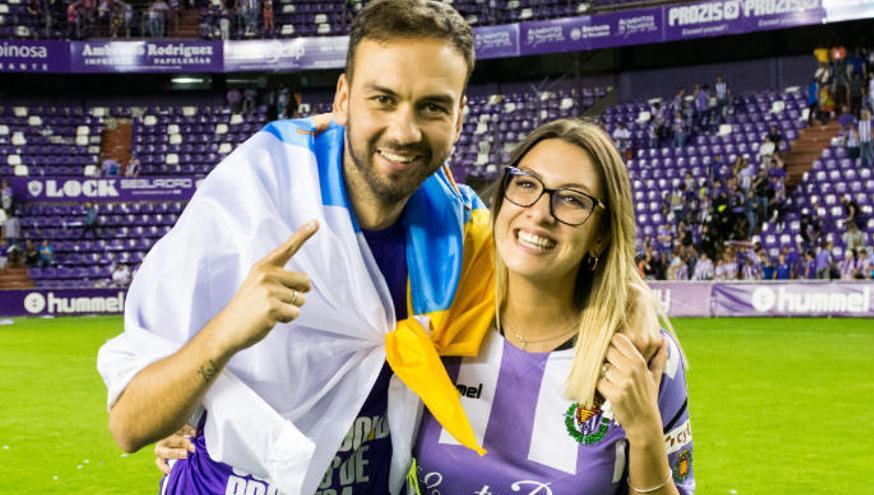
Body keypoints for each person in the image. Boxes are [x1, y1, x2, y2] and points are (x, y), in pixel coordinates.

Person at [100, 3, 492, 494]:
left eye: (432, 106)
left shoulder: (466, 234)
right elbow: (129, 425)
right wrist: (224, 335)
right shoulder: (251, 200)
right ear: (344, 98)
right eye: (383, 99)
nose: (405, 131)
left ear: (459, 119)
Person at [411, 119, 693, 494]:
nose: (540, 212)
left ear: (601, 235)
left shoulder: (643, 357)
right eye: (526, 183)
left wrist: (644, 432)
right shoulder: (441, 322)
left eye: (573, 199)